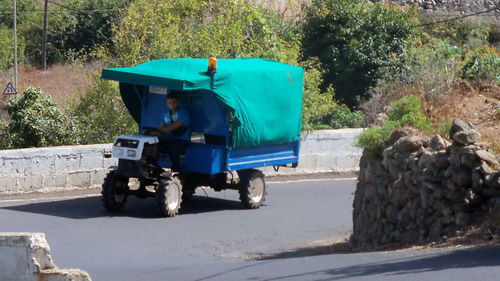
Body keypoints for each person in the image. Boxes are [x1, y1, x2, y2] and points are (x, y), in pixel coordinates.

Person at [154, 91, 190, 171]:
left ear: (178, 102)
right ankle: (156, 168)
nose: (172, 105)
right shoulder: (164, 113)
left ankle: (176, 170)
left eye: (174, 102)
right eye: (170, 103)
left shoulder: (183, 113)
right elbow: (161, 127)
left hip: (182, 140)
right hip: (168, 139)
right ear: (167, 104)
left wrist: (158, 132)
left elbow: (171, 127)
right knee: (154, 146)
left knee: (172, 148)